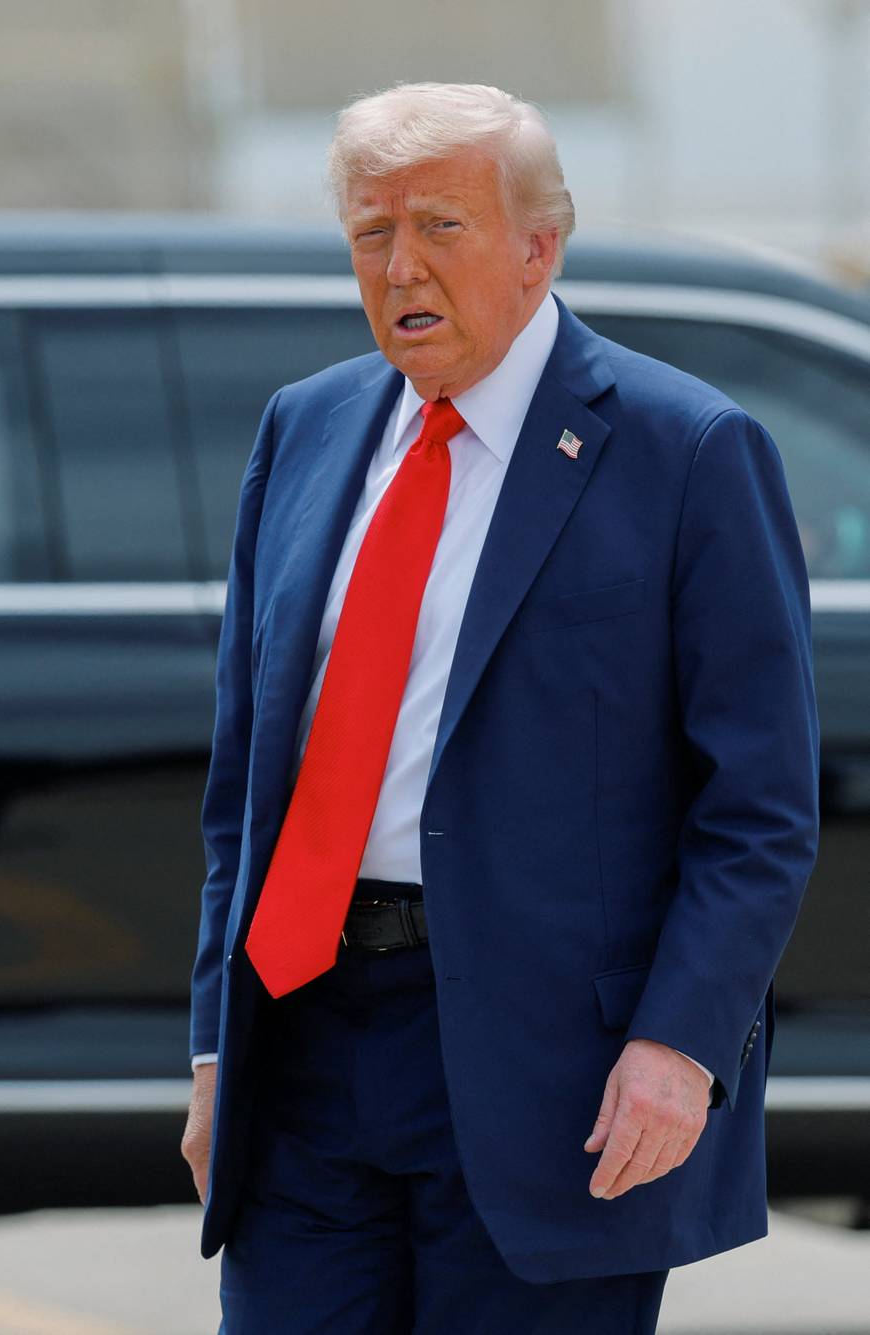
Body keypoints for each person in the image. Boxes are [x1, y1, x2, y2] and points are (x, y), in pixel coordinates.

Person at [181, 82, 820, 1334]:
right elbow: (244, 787)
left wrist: (680, 1049)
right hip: (303, 1048)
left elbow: (757, 811)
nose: (399, 265)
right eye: (371, 233)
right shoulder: (304, 431)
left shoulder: (685, 451)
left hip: (549, 1079)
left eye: (439, 227)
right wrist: (216, 1048)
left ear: (539, 246)